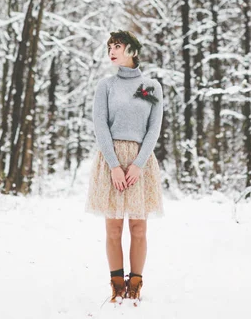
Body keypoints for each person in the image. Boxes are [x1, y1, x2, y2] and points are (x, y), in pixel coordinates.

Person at [85, 30, 164, 305]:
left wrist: (139, 164)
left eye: (117, 46)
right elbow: (100, 125)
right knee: (113, 228)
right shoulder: (106, 86)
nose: (111, 51)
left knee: (139, 228)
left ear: (132, 49)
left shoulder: (149, 87)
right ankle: (117, 285)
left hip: (141, 163)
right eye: (109, 47)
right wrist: (114, 165)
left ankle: (136, 284)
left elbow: (154, 128)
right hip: (111, 161)